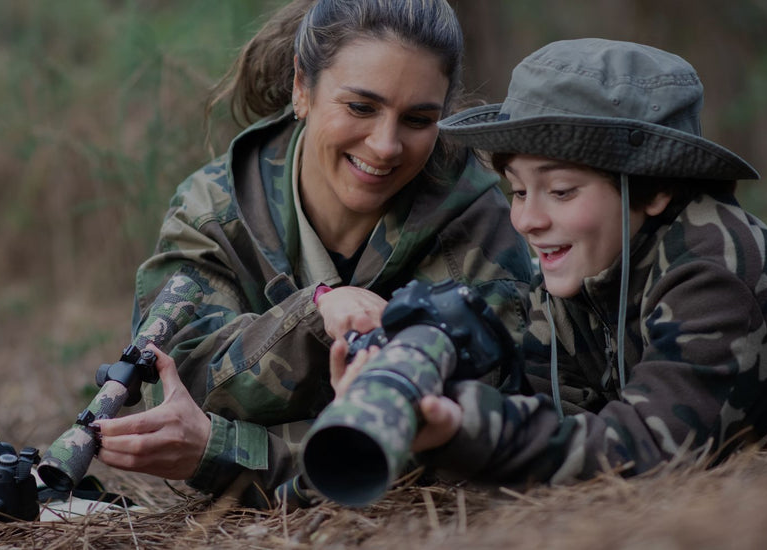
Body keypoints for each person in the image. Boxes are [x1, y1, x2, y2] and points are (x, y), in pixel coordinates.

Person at [340, 37, 767, 486]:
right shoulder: (579, 270)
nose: (527, 220)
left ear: (657, 188)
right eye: (517, 190)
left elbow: (648, 450)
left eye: (560, 191)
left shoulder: (713, 269)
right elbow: (548, 410)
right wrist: (406, 395)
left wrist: (467, 426)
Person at [88, 0, 533, 504]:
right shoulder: (215, 212)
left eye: (417, 118)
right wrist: (318, 311)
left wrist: (226, 450)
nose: (386, 145)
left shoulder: (478, 225)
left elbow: (462, 443)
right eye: (361, 107)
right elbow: (178, 381)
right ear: (302, 87)